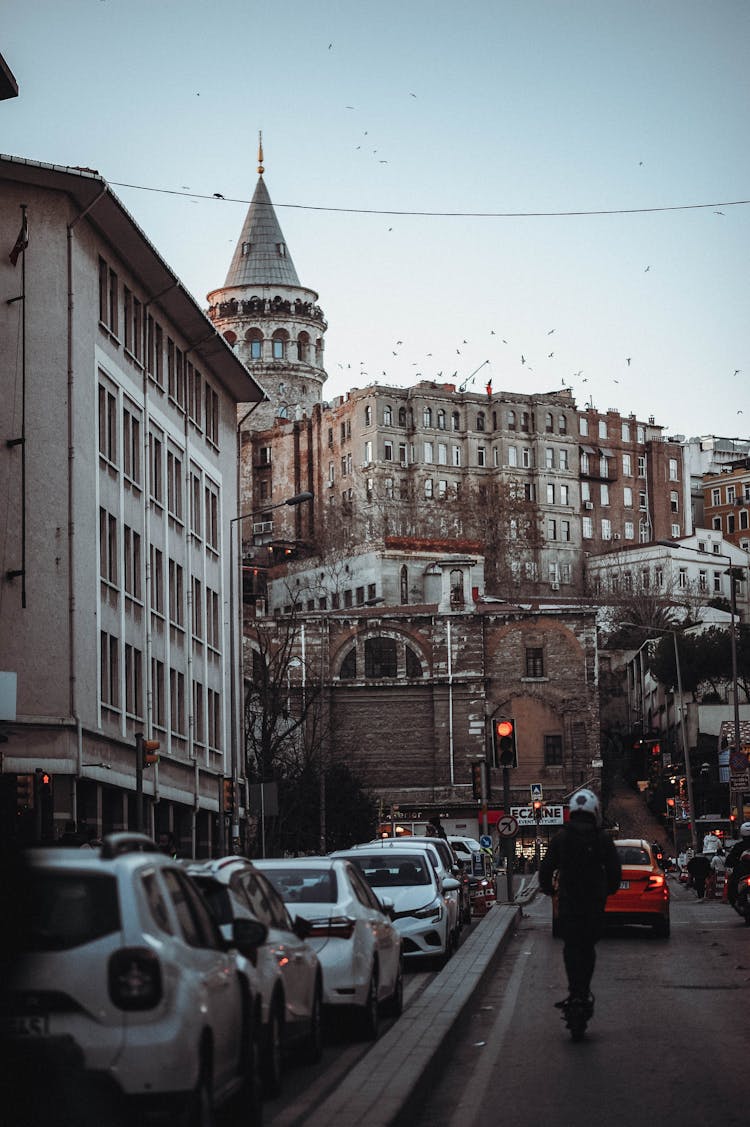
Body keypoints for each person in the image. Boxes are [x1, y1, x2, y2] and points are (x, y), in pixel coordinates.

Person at [539, 789, 621, 1019]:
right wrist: (610, 889)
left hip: (569, 902)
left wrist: (549, 889)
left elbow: (545, 869)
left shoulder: (561, 838)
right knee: (588, 948)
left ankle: (575, 991)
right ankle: (583, 991)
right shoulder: (602, 838)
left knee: (571, 947)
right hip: (593, 903)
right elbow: (615, 870)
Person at [725, 822, 750, 908]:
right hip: (742, 874)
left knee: (732, 886)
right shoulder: (738, 846)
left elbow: (729, 860)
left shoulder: (738, 846)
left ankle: (735, 902)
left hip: (741, 873)